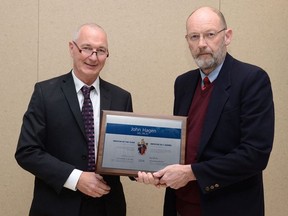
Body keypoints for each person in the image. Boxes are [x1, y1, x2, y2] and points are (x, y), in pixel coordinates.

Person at [137, 6, 274, 216]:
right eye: (194, 37)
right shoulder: (183, 83)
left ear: (227, 36)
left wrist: (190, 173)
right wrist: (157, 169)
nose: (202, 44)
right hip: (182, 206)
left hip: (228, 208)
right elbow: (182, 146)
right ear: (187, 41)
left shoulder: (251, 80)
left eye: (210, 35)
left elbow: (255, 155)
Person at [15, 23, 133, 216]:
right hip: (57, 205)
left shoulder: (121, 97)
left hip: (107, 206)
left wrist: (148, 169)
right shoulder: (45, 93)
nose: (93, 57)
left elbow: (127, 153)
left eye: (101, 51)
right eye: (86, 48)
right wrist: (76, 178)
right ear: (72, 48)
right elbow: (27, 151)